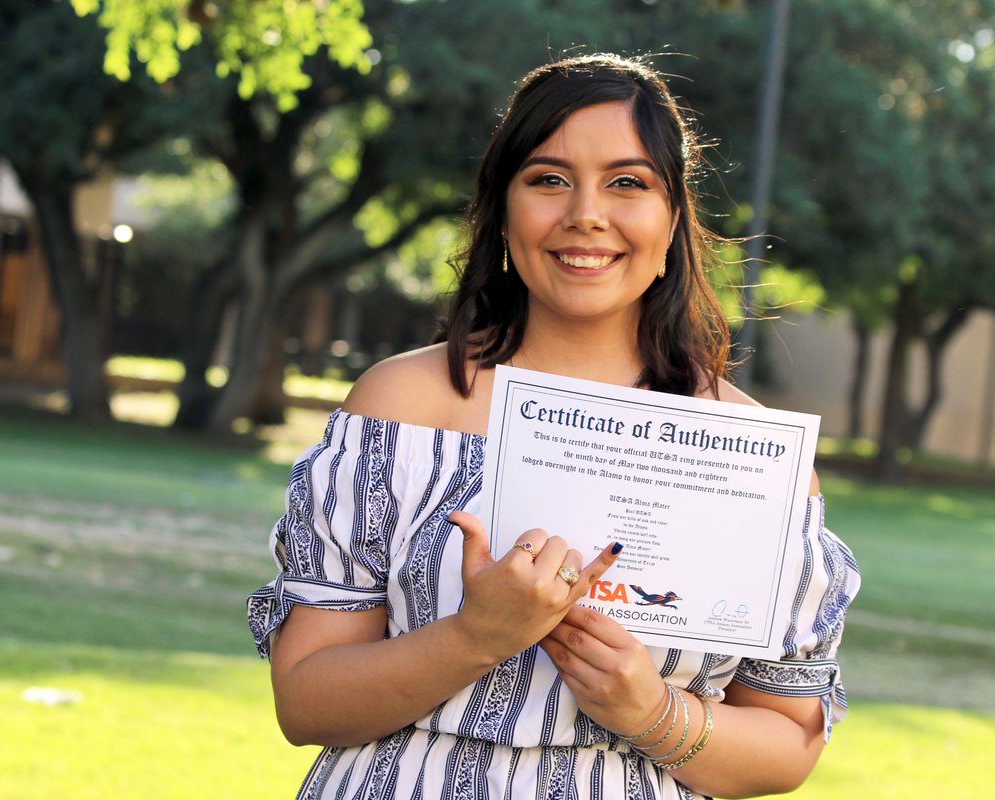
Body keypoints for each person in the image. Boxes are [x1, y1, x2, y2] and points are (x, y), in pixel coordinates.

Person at [247, 53, 860, 799]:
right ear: (503, 208)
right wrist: (475, 638)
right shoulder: (401, 407)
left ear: (673, 220)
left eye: (628, 182)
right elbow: (305, 700)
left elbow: (788, 740)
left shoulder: (753, 456)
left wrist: (652, 710)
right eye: (548, 179)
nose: (586, 214)